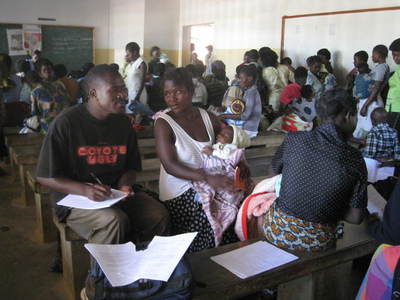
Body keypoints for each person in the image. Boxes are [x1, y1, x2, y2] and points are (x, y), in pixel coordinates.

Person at [36, 64, 170, 297]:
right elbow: (45, 176)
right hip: (74, 200)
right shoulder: (66, 123)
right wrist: (84, 189)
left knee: (158, 215)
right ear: (93, 93)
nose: (123, 94)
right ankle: (96, 288)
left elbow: (130, 167)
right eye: (115, 89)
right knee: (113, 221)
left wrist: (125, 185)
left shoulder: (122, 123)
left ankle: (142, 276)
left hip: (114, 194)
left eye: (123, 88)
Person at [264, 88, 367, 252]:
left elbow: (272, 173)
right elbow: (356, 217)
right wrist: (328, 202)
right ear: (348, 115)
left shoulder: (294, 139)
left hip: (276, 230)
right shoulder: (354, 159)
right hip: (317, 242)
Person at [155, 67, 236, 252]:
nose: (172, 98)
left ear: (191, 92)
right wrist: (207, 178)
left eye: (178, 92)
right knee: (208, 220)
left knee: (237, 205)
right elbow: (170, 166)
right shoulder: (163, 123)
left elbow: (227, 147)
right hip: (180, 191)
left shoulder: (208, 117)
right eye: (167, 94)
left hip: (208, 183)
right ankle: (207, 267)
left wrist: (241, 167)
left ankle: (231, 265)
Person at [219, 65, 262, 138]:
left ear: (250, 78)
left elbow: (245, 116)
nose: (239, 80)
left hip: (248, 130)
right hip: (249, 127)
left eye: (241, 78)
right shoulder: (250, 91)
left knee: (224, 134)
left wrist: (224, 116)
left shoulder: (251, 93)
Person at [30, 59, 71, 134]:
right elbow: (35, 114)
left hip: (64, 125)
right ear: (40, 74)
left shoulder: (60, 85)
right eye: (45, 70)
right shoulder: (36, 92)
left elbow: (68, 102)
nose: (48, 72)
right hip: (49, 127)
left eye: (50, 69)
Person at [122, 42, 153, 119]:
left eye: (128, 54)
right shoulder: (133, 63)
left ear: (135, 52)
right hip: (131, 93)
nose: (127, 56)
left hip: (138, 94)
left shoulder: (141, 63)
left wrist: (137, 96)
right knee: (131, 116)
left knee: (137, 118)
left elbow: (143, 81)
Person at [360, 44, 391, 118]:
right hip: (373, 99)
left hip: (374, 100)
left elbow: (376, 87)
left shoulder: (382, 67)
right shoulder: (380, 67)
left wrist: (365, 105)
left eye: (373, 54)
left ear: (379, 55)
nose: (372, 56)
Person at [353, 62, 376, 138]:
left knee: (361, 120)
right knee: (368, 120)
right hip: (370, 100)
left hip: (362, 101)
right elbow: (374, 88)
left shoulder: (357, 78)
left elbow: (356, 91)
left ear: (358, 71)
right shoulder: (371, 78)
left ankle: (359, 136)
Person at [385, 38, 400, 131]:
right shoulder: (398, 69)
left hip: (397, 109)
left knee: (393, 136)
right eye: (393, 55)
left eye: (397, 55)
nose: (395, 58)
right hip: (392, 107)